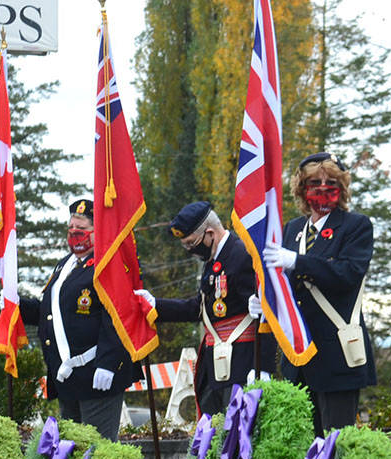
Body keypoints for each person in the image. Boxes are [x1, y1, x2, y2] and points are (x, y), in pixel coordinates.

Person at [260, 152, 377, 436]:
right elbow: (285, 284)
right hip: (299, 358)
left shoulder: (355, 226)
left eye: (330, 182)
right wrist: (265, 302)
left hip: (336, 355)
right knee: (303, 449)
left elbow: (347, 274)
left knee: (336, 445)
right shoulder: (293, 230)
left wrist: (297, 262)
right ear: (302, 189)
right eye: (314, 182)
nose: (323, 188)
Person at [20, 199, 142, 440]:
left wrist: (108, 363)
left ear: (99, 232)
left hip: (97, 374)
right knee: (71, 454)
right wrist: (17, 305)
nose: (74, 235)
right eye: (71, 230)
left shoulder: (108, 264)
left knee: (97, 451)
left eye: (82, 231)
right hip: (67, 378)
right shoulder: (64, 266)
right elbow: (50, 315)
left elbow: (118, 315)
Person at [141, 202, 277, 416]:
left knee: (237, 439)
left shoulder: (241, 255)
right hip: (216, 365)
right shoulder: (213, 259)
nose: (190, 251)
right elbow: (200, 307)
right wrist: (155, 305)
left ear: (210, 233)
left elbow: (265, 312)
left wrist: (264, 367)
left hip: (242, 363)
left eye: (191, 243)